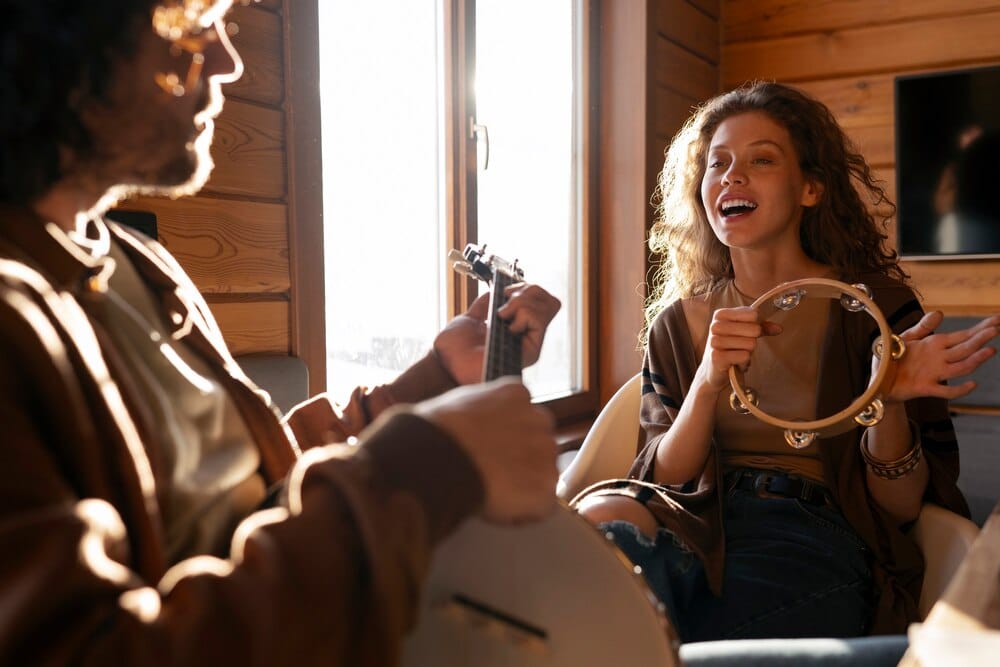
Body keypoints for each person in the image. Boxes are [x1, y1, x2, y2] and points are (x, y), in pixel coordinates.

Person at [0, 1, 562, 664]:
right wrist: (421, 468)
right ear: (60, 37)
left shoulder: (136, 260)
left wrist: (433, 377)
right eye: (190, 28)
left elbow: (247, 488)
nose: (227, 59)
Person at [572, 81, 1000, 643]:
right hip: (696, 524)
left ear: (811, 189)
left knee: (650, 641)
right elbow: (661, 479)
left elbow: (899, 508)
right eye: (717, 163)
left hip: (812, 534)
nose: (731, 176)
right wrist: (706, 381)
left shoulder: (871, 311)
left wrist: (887, 401)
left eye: (762, 160)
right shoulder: (678, 323)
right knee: (598, 521)